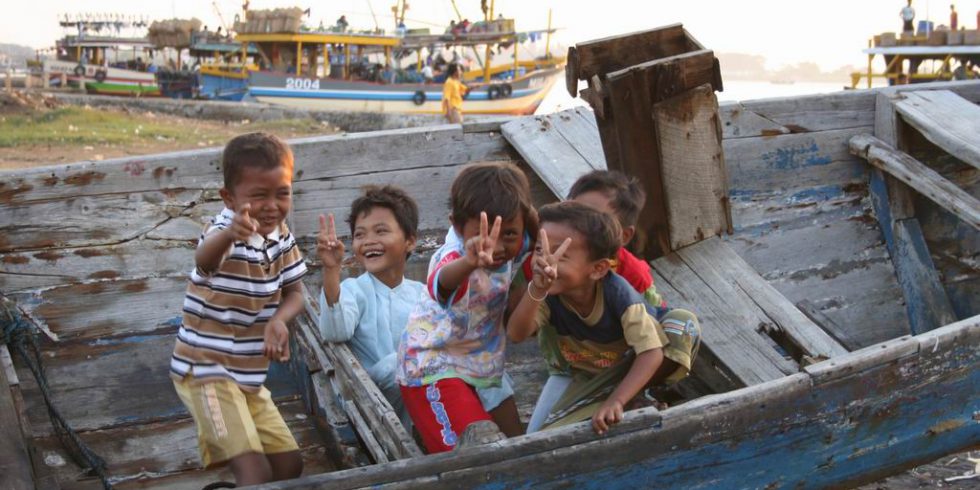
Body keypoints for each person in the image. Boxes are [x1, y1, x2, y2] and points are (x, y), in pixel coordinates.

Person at [170, 132, 307, 486]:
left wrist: (279, 319)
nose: (272, 205)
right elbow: (204, 260)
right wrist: (231, 233)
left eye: (282, 193)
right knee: (255, 473)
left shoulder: (281, 235)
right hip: (206, 372)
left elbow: (296, 290)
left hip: (247, 377)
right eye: (258, 195)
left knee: (290, 465)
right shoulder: (223, 233)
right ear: (230, 199)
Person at [507, 202, 700, 435]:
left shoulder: (619, 296)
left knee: (683, 323)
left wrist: (616, 401)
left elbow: (651, 353)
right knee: (543, 435)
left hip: (632, 367)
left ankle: (633, 395)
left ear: (598, 269)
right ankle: (625, 401)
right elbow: (516, 334)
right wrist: (536, 290)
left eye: (561, 255)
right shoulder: (546, 293)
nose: (546, 262)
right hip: (586, 379)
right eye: (540, 250)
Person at [396, 162, 537, 453]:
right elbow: (442, 283)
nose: (495, 247)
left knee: (517, 445)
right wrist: (469, 262)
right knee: (473, 455)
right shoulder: (451, 257)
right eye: (484, 236)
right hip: (433, 366)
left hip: (481, 365)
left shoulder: (521, 238)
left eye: (508, 234)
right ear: (458, 226)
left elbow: (533, 227)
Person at [318, 186, 422, 427]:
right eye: (360, 235)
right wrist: (332, 269)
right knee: (396, 363)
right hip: (374, 401)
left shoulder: (421, 294)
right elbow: (335, 331)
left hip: (421, 391)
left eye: (381, 231)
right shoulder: (355, 290)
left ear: (410, 241)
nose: (368, 241)